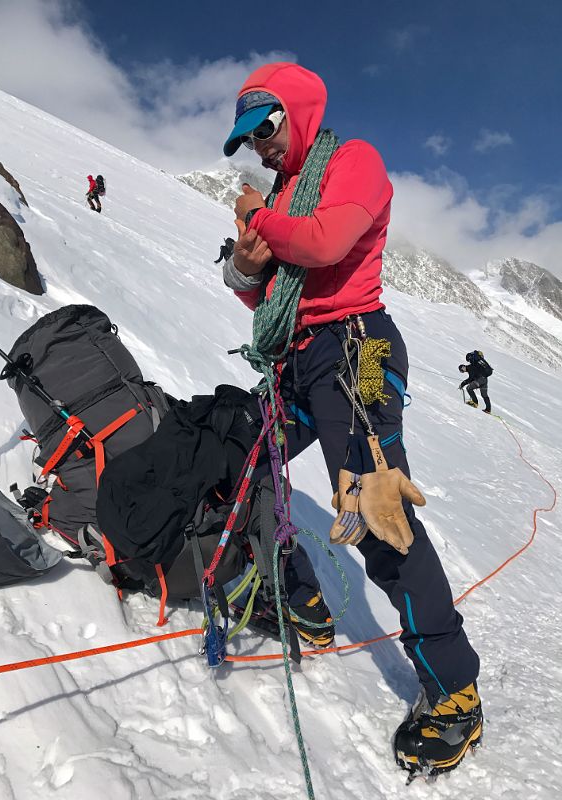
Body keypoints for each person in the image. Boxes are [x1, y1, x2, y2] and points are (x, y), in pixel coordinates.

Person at [221, 62, 482, 778]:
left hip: (359, 348)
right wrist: (248, 268)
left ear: (299, 111)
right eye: (247, 137)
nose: (259, 147)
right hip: (299, 356)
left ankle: (454, 687)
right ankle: (297, 597)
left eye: (265, 128)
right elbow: (274, 299)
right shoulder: (282, 199)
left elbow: (327, 244)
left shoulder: (353, 163)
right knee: (244, 454)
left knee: (377, 509)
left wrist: (258, 220)